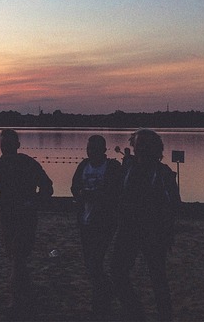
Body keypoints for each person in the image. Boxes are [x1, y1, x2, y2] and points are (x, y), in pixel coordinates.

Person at [0, 129, 54, 318]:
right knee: (17, 258)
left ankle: (16, 300)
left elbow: (47, 186)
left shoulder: (28, 163)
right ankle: (27, 293)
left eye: (8, 144)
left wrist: (33, 201)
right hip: (7, 217)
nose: (5, 148)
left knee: (17, 257)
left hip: (26, 216)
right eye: (3, 145)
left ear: (17, 145)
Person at [111, 129, 181, 322]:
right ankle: (136, 313)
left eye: (145, 144)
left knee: (158, 277)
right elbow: (117, 194)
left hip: (154, 233)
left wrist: (167, 232)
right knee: (117, 271)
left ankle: (165, 316)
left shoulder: (163, 172)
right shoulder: (127, 168)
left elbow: (174, 204)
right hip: (128, 230)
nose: (140, 147)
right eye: (138, 143)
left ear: (155, 148)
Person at [71, 135, 123, 320]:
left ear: (103, 150)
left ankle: (103, 295)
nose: (90, 151)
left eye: (94, 148)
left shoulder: (112, 167)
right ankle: (102, 294)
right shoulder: (83, 166)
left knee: (95, 260)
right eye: (88, 148)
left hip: (105, 222)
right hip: (85, 221)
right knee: (90, 263)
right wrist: (80, 195)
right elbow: (74, 186)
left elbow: (117, 192)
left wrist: (99, 196)